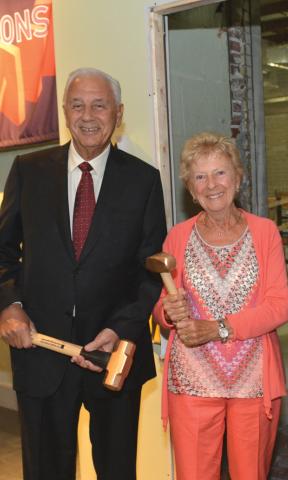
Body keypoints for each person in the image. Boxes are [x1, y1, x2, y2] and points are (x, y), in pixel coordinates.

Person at [0, 67, 166, 480]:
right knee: (45, 471)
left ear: (119, 113)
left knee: (116, 470)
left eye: (99, 104)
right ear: (64, 111)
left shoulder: (144, 180)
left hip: (112, 356)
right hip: (40, 352)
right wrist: (10, 305)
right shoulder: (28, 169)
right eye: (77, 105)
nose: (87, 115)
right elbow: (2, 251)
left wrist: (122, 327)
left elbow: (149, 270)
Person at [153, 132, 288, 480]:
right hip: (192, 382)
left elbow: (278, 307)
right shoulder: (178, 237)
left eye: (220, 173)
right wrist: (169, 312)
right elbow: (161, 309)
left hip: (253, 383)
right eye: (200, 176)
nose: (211, 185)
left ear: (238, 178)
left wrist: (217, 328)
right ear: (190, 187)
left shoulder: (265, 232)